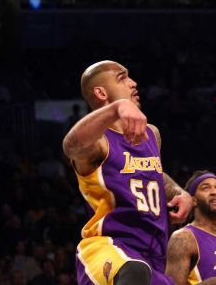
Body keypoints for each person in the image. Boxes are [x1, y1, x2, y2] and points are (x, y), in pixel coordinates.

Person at [63, 61, 193, 285]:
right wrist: (116, 108)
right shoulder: (99, 142)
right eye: (122, 78)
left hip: (154, 255)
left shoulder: (151, 134)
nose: (133, 83)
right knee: (134, 270)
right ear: (101, 92)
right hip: (108, 248)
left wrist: (179, 192)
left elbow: (154, 172)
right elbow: (71, 146)